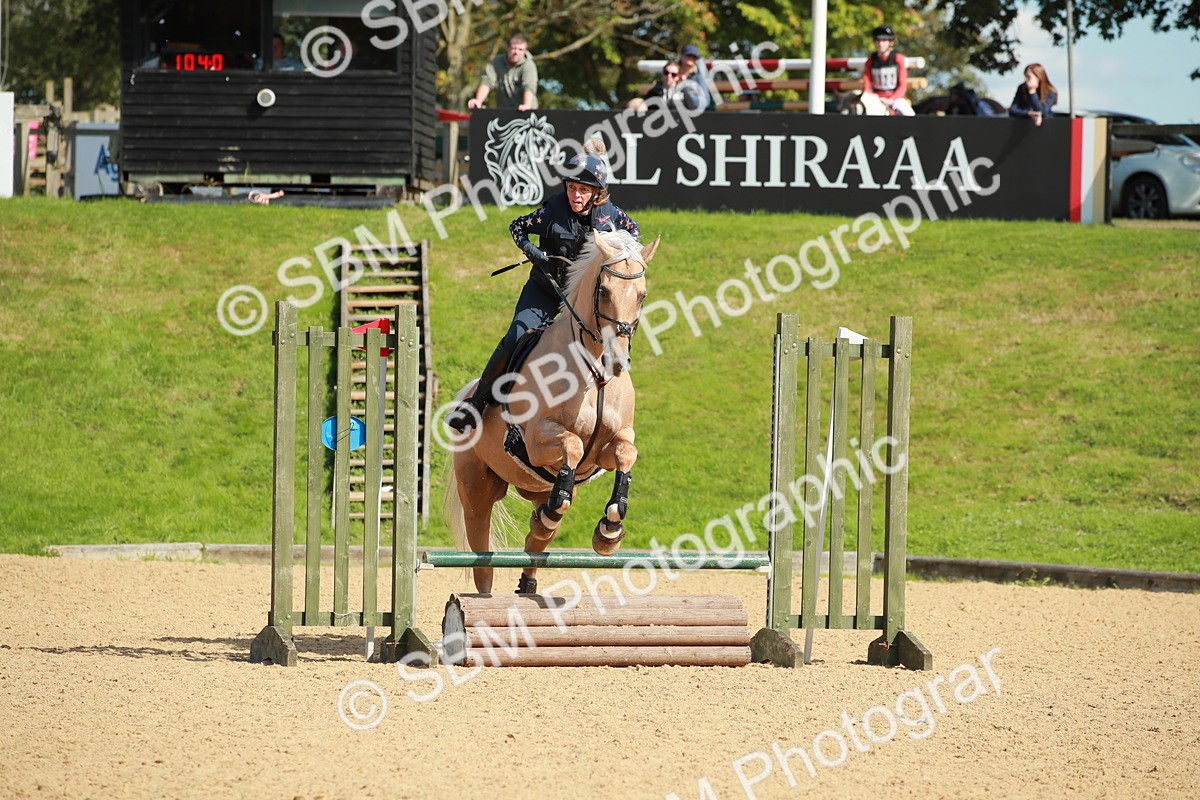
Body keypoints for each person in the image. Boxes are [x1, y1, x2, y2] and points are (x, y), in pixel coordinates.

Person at [446, 139, 640, 432]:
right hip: (547, 289)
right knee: (516, 335)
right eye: (572, 187)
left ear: (596, 193)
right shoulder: (552, 209)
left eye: (584, 190)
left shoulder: (611, 215)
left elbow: (634, 234)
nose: (576, 195)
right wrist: (536, 254)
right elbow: (517, 227)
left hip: (583, 299)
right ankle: (477, 403)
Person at [467, 33, 538, 111]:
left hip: (525, 112)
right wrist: (478, 101)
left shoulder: (528, 65)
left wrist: (526, 105)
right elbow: (487, 82)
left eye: (520, 49)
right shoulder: (496, 62)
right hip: (504, 111)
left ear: (525, 51)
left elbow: (529, 86)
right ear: (508, 48)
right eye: (513, 48)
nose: (516, 52)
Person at [862, 24, 914, 116]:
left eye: (884, 40)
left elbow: (902, 86)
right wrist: (873, 97)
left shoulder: (898, 59)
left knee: (910, 115)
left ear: (891, 42)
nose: (880, 44)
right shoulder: (870, 61)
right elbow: (867, 85)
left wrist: (891, 99)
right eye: (878, 40)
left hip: (895, 99)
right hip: (876, 98)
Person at [678, 43, 712, 111]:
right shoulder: (672, 74)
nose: (691, 59)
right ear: (681, 56)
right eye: (688, 55)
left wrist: (686, 97)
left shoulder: (698, 77)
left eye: (694, 57)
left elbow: (706, 101)